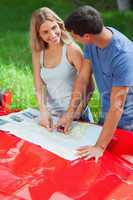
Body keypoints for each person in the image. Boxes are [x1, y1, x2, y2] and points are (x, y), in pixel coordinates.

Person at [57, 5, 133, 161]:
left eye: (74, 36)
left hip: (128, 124)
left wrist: (99, 146)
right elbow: (83, 78)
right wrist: (70, 112)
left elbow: (117, 105)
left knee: (120, 173)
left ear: (86, 36)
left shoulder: (123, 56)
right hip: (108, 115)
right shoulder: (93, 42)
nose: (73, 40)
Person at [30, 7, 94, 131]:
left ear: (59, 25)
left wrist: (76, 113)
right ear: (38, 35)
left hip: (75, 116)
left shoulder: (71, 49)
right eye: (45, 32)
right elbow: (39, 85)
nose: (52, 35)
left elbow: (90, 85)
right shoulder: (38, 53)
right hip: (52, 117)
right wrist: (43, 111)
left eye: (54, 28)